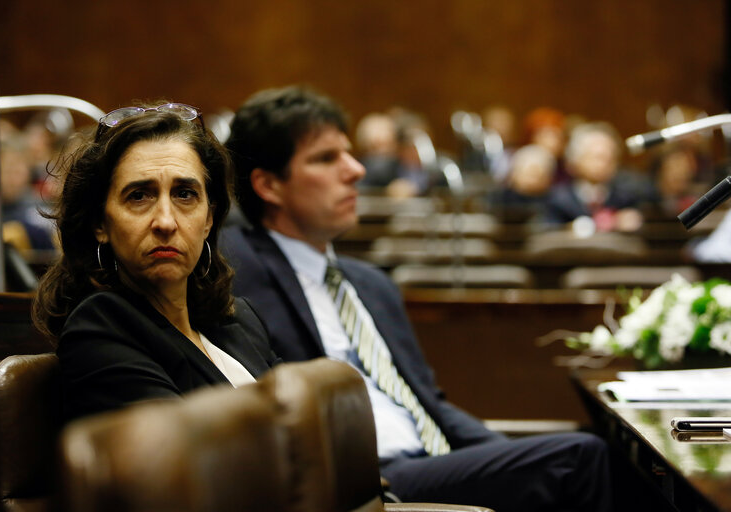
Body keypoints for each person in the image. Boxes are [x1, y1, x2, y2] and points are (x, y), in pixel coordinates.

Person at [219, 86, 612, 512]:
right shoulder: (237, 268)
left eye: (348, 154)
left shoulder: (371, 284)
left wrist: (502, 455)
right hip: (360, 478)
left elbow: (429, 403)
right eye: (326, 159)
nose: (355, 170)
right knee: (580, 458)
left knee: (610, 456)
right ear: (268, 185)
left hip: (430, 462)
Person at [32, 102, 279, 422]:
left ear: (209, 218)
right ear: (100, 224)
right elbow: (189, 459)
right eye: (139, 196)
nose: (165, 221)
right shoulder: (98, 330)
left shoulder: (241, 320)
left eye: (185, 194)